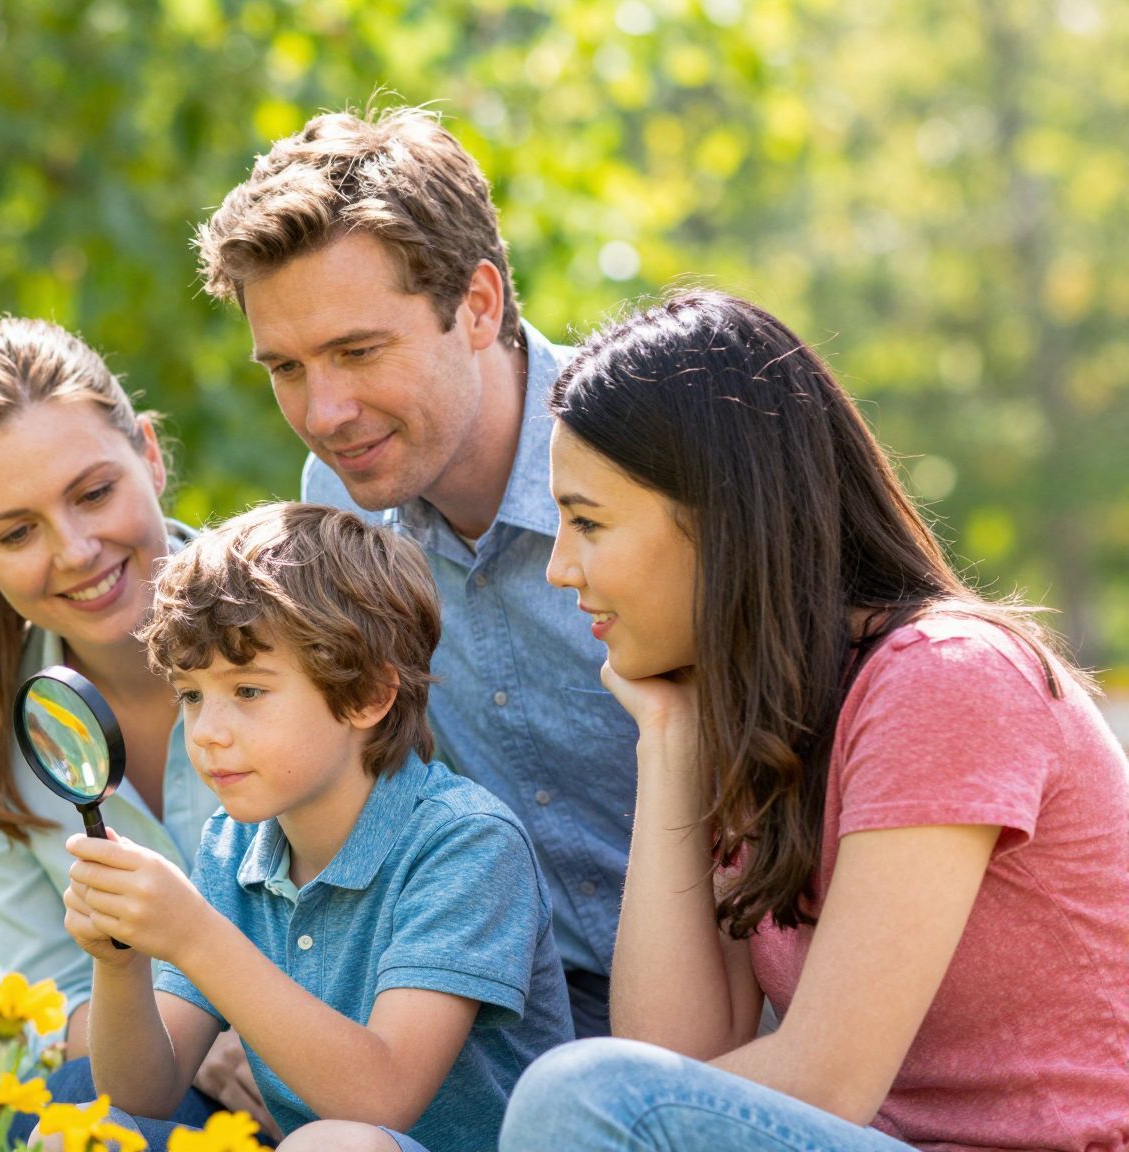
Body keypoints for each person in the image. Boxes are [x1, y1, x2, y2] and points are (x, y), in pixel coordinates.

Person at [497, 291, 1129, 1150]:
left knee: (576, 1099)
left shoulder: (943, 681)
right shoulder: (769, 719)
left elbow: (824, 1083)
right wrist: (671, 741)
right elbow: (670, 1061)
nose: (560, 568)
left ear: (722, 516)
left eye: (588, 521)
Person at [195, 107, 632, 1037]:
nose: (326, 410)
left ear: (477, 304)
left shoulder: (652, 462)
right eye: (285, 367)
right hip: (484, 1020)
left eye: (358, 351)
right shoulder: (338, 500)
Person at [60, 503, 573, 1151]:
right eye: (192, 695)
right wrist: (120, 962)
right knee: (83, 1134)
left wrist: (193, 935)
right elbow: (142, 1096)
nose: (208, 732)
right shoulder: (235, 844)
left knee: (333, 1144)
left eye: (248, 691)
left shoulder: (465, 842)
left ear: (367, 696)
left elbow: (380, 1099)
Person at [0, 318, 263, 1129]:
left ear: (149, 453)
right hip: (170, 1083)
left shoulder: (302, 631)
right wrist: (193, 1044)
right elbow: (48, 996)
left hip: (363, 1070)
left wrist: (274, 1035)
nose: (74, 551)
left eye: (94, 493)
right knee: (59, 1111)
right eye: (16, 531)